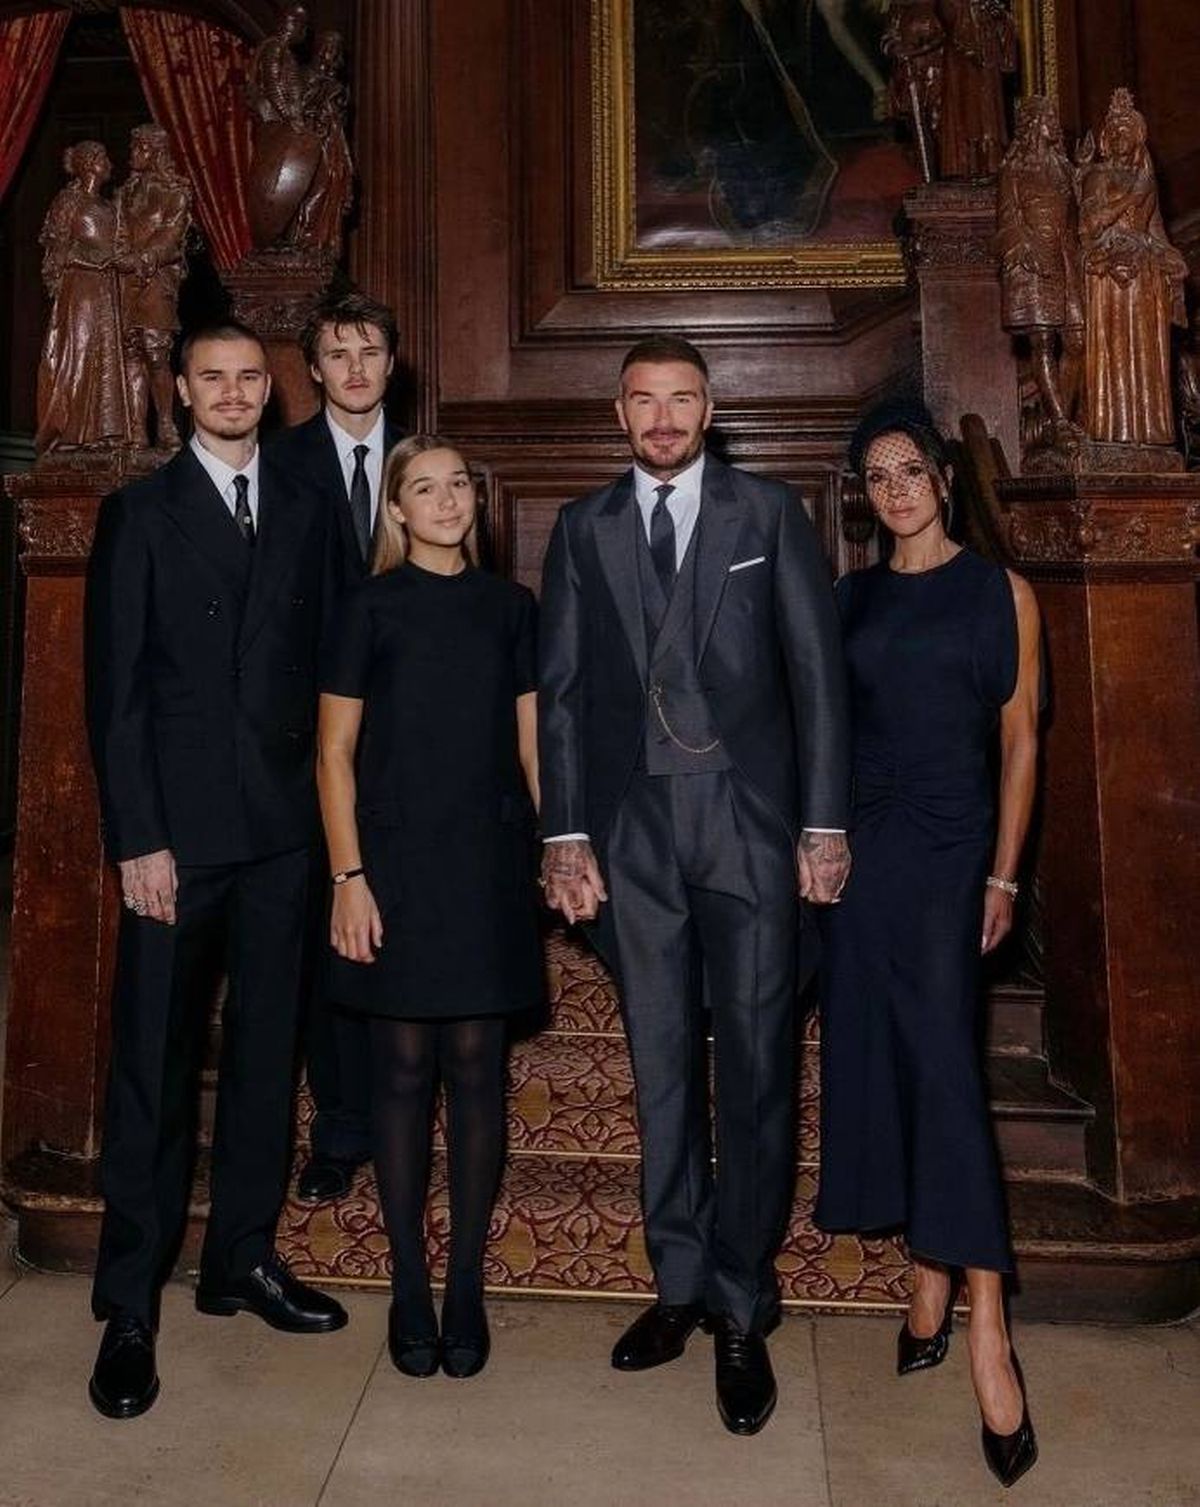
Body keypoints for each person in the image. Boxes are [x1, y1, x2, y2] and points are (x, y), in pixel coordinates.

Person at [538, 335, 850, 1436]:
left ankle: (741, 1297)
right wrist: (566, 834)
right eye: (643, 400)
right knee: (659, 1058)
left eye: (681, 399)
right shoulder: (582, 528)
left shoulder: (767, 515)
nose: (663, 417)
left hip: (749, 824)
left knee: (758, 1063)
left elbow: (817, 674)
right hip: (633, 829)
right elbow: (561, 690)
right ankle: (678, 1280)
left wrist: (822, 823)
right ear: (618, 414)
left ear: (711, 409)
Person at [84, 320, 346, 1421]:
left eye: (248, 377)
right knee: (153, 1062)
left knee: (265, 1056)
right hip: (177, 842)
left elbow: (331, 669)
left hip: (284, 832)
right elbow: (116, 695)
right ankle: (129, 1301)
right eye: (212, 378)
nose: (233, 393)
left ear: (268, 392)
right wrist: (138, 839)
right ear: (181, 392)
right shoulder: (141, 513)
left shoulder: (308, 505)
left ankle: (241, 1258)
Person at [815, 403, 1041, 1489]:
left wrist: (1003, 873)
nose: (897, 488)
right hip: (867, 854)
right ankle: (928, 1274)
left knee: (948, 1071)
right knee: (888, 1061)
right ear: (863, 496)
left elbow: (1021, 739)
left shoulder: (1003, 593)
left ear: (945, 477)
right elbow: (821, 731)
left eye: (911, 468)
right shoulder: (847, 597)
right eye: (878, 475)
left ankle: (988, 1318)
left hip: (953, 851)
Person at [317, 436, 542, 1379]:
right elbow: (333, 755)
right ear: (397, 510)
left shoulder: (511, 607)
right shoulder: (366, 606)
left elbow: (533, 744)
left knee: (478, 1064)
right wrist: (349, 877)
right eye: (425, 487)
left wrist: (558, 848)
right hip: (395, 866)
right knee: (403, 1069)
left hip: (487, 862)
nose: (447, 500)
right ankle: (409, 1283)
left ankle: (465, 1287)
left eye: (458, 485)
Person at [269, 288, 402, 1205]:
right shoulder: (278, 464)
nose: (355, 369)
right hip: (310, 744)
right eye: (338, 354)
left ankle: (405, 1116)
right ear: (313, 369)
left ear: (393, 364)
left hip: (411, 742)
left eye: (370, 353)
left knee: (404, 930)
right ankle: (341, 1129)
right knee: (330, 939)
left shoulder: (428, 464)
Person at [36, 141, 130, 453]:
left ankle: (102, 431)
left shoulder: (109, 206)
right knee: (79, 351)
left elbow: (119, 245)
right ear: (89, 164)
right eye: (103, 158)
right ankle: (70, 431)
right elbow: (58, 251)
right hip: (80, 289)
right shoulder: (69, 202)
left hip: (108, 288)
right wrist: (92, 260)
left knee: (106, 353)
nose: (110, 164)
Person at [114, 124, 192, 450]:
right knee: (130, 351)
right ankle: (135, 428)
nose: (134, 154)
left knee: (156, 350)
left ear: (156, 152)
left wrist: (144, 258)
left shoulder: (176, 193)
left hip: (157, 280)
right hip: (125, 280)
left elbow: (172, 237)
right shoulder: (125, 193)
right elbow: (117, 232)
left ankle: (165, 422)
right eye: (133, 147)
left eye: (140, 148)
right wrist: (121, 256)